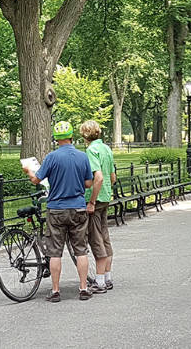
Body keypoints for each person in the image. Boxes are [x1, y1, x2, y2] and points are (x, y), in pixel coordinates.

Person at [23, 121, 94, 302]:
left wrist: (28, 171)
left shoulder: (51, 157)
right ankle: (84, 288)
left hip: (56, 209)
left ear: (56, 138)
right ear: (72, 136)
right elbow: (88, 183)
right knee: (80, 250)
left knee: (55, 251)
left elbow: (36, 180)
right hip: (78, 207)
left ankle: (55, 291)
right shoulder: (82, 156)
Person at [80, 120, 116, 293]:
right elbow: (112, 177)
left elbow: (99, 177)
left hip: (96, 198)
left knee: (95, 238)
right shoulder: (107, 149)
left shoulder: (91, 150)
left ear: (85, 135)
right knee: (104, 235)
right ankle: (107, 277)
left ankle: (99, 281)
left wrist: (92, 201)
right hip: (106, 196)